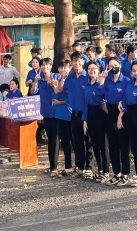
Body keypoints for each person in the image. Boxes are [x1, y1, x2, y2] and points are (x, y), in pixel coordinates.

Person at [56, 51, 93, 180]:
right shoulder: (70, 78)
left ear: (82, 62)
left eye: (79, 61)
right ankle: (80, 167)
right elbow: (62, 91)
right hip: (75, 114)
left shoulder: (87, 76)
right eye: (74, 61)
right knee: (77, 141)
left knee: (88, 141)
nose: (76, 63)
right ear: (71, 63)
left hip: (86, 113)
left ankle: (89, 167)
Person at [102, 57, 131, 186]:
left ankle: (125, 173)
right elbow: (99, 94)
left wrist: (120, 117)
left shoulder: (126, 81)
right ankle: (116, 173)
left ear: (120, 65)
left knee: (123, 144)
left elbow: (126, 100)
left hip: (122, 113)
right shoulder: (107, 81)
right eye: (110, 66)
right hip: (110, 112)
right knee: (113, 145)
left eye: (115, 65)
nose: (113, 68)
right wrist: (101, 79)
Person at [32, 58, 61, 176]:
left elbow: (60, 90)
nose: (44, 67)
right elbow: (33, 91)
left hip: (57, 112)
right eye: (42, 65)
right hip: (46, 112)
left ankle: (55, 167)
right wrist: (35, 81)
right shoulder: (40, 78)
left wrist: (54, 84)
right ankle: (52, 165)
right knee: (50, 139)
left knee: (55, 139)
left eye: (46, 65)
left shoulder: (56, 76)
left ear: (50, 66)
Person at [85, 61, 110, 183]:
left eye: (94, 68)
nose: (92, 71)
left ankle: (106, 171)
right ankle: (99, 169)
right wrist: (84, 119)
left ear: (98, 70)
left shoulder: (102, 82)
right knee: (94, 142)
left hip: (101, 111)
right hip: (91, 113)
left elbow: (101, 96)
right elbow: (86, 102)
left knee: (103, 142)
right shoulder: (87, 85)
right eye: (89, 69)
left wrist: (101, 81)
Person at [53, 59, 74, 177]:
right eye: (61, 67)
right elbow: (57, 90)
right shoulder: (61, 79)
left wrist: (60, 102)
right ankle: (68, 167)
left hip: (70, 113)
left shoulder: (71, 79)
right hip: (60, 114)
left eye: (65, 67)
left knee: (75, 142)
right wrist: (58, 82)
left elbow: (70, 98)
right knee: (65, 142)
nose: (63, 69)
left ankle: (81, 167)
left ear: (70, 68)